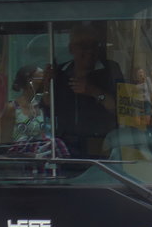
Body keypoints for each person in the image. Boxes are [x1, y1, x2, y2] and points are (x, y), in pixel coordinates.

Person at [46, 23, 124, 156]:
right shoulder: (60, 72)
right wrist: (47, 83)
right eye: (82, 46)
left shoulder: (110, 70)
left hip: (101, 145)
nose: (89, 50)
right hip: (64, 146)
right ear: (71, 49)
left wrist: (93, 91)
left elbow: (119, 109)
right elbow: (48, 109)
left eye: (93, 45)